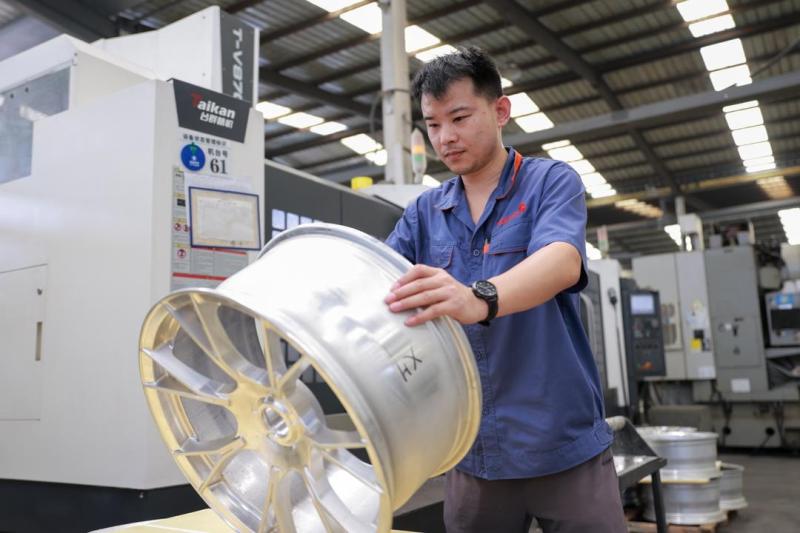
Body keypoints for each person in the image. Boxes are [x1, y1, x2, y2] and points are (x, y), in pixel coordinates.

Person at [384, 46, 626, 533]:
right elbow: (378, 284)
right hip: (475, 455)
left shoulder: (548, 182)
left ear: (500, 111)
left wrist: (478, 297)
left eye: (459, 118)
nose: (445, 138)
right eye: (433, 125)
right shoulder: (423, 214)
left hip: (561, 445)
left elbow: (561, 260)